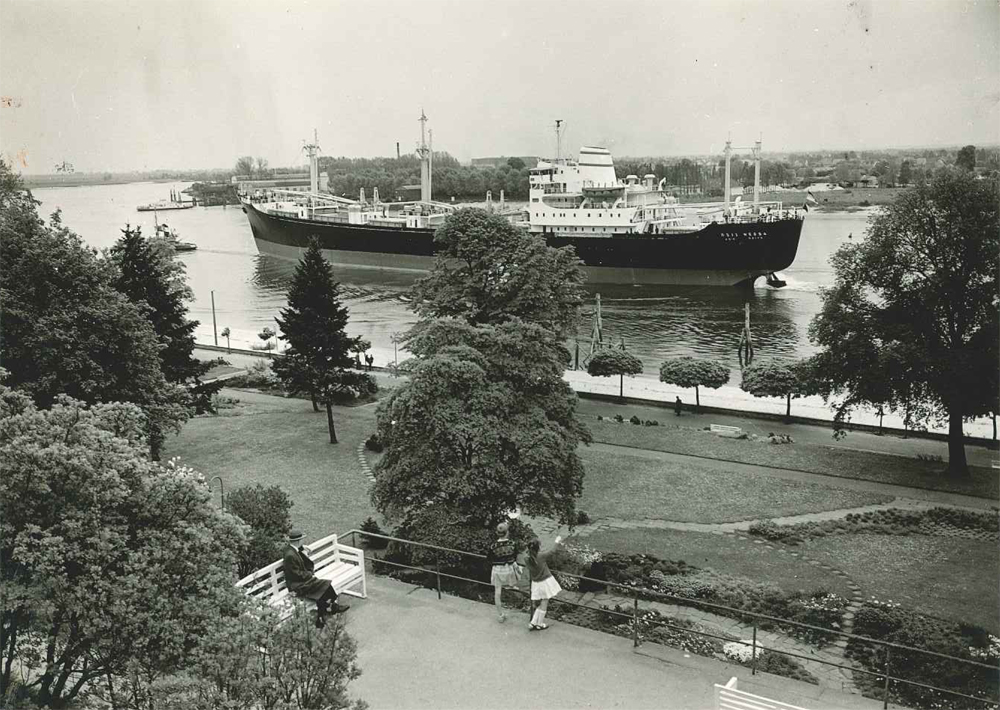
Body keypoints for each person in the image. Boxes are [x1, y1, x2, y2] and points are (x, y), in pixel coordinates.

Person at [282, 530, 349, 628]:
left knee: (321, 588)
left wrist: (303, 549)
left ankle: (322, 617)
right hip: (296, 586)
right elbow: (295, 574)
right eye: (302, 540)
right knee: (324, 585)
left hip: (300, 581)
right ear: (298, 541)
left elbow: (298, 561)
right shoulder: (290, 556)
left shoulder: (292, 550)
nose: (303, 541)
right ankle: (332, 607)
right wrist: (309, 575)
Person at [524, 536, 563, 631]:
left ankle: (533, 622)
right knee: (544, 602)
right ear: (538, 547)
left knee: (539, 603)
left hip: (536, 583)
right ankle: (540, 624)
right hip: (545, 582)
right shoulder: (541, 556)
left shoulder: (526, 558)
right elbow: (552, 551)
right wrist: (557, 541)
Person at [486, 521, 520, 623]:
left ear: (497, 533)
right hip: (508, 569)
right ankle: (512, 585)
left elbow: (489, 559)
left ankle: (500, 614)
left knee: (497, 592)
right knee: (515, 572)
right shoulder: (512, 544)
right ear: (507, 532)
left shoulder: (493, 546)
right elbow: (514, 556)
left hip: (497, 570)